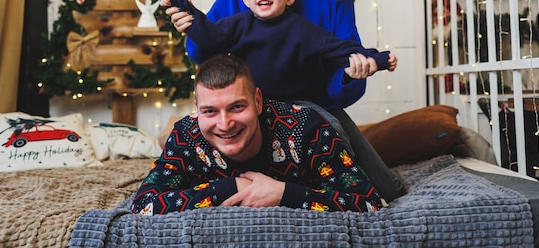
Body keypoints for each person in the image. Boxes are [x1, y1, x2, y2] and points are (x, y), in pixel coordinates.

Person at [166, 0, 406, 202]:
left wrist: (355, 71)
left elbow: (342, 70)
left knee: (386, 189)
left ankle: (306, 192)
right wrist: (191, 26)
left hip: (312, 104)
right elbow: (208, 49)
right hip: (252, 103)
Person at [131, 54, 384, 214]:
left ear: (258, 101)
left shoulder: (306, 128)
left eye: (237, 107)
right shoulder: (186, 135)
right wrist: (231, 188)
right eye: (210, 111)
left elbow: (370, 204)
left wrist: (283, 194)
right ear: (197, 110)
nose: (225, 123)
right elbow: (144, 205)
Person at [160, 0, 397, 105]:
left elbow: (340, 49)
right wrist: (183, 5)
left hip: (301, 106)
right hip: (253, 105)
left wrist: (377, 59)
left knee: (331, 139)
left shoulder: (302, 29)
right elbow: (210, 36)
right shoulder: (238, 25)